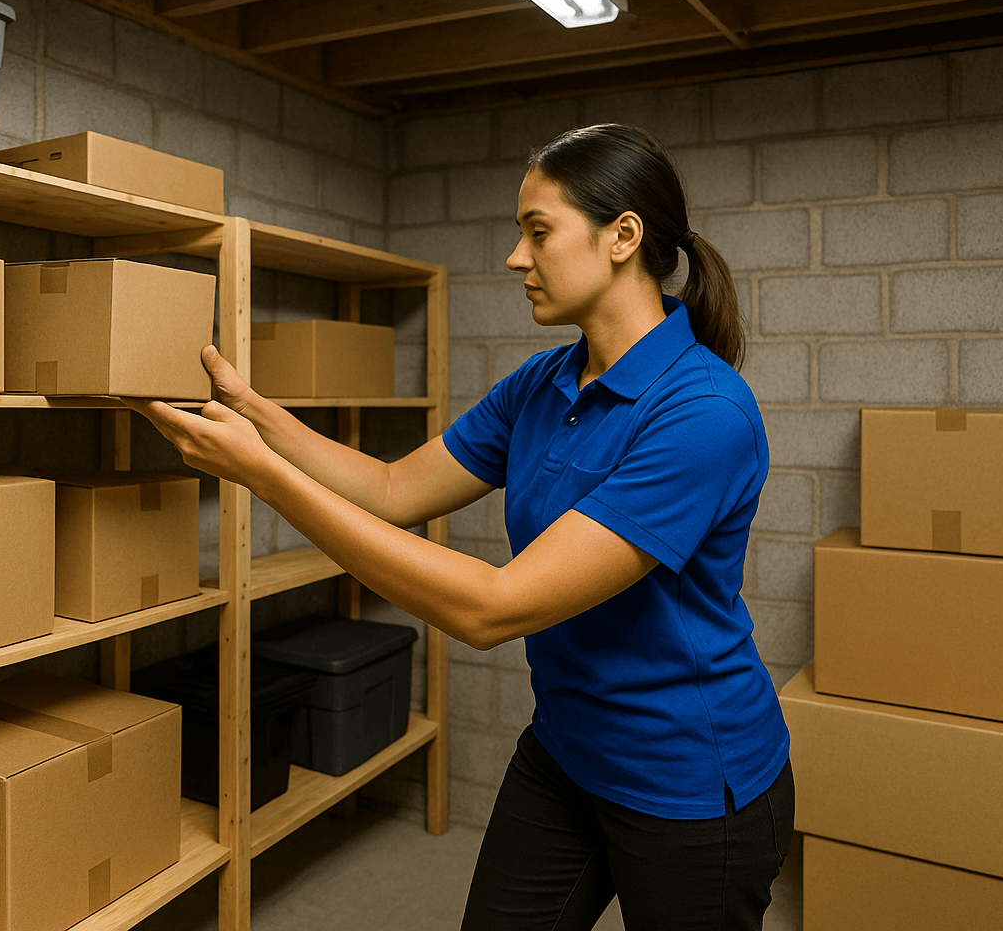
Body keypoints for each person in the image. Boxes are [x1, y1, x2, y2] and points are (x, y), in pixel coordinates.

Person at [130, 123, 793, 931]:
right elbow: (391, 488)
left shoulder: (704, 413)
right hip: (568, 751)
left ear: (623, 236)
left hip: (687, 783)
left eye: (537, 232)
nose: (516, 258)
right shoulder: (546, 382)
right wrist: (257, 414)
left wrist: (260, 475)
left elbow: (495, 607)